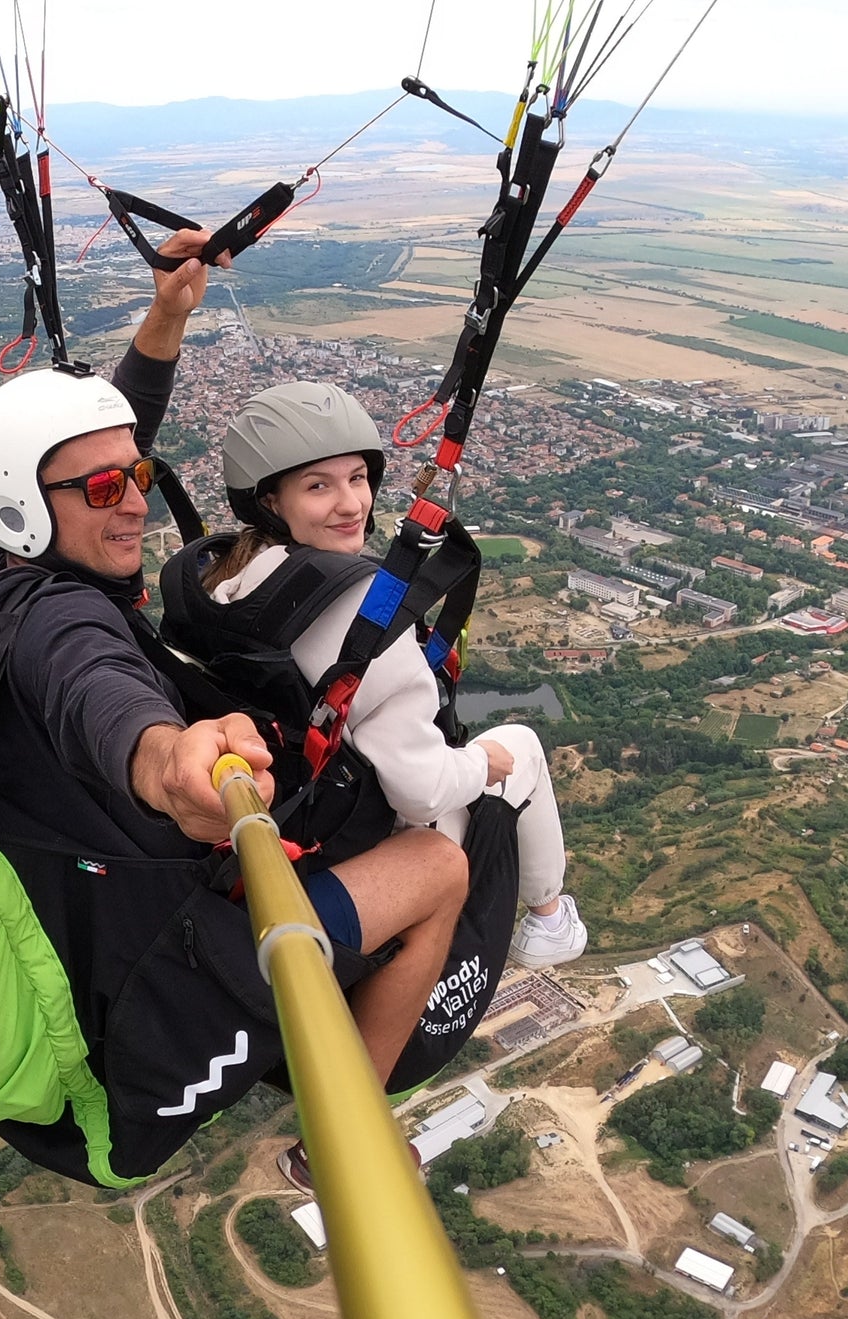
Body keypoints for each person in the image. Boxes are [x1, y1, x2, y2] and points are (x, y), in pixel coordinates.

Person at [0, 229, 472, 1190]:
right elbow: (97, 695)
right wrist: (172, 761)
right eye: (103, 489)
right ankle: (341, 1144)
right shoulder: (58, 621)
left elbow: (104, 454)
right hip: (149, 985)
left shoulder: (3, 574)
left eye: (137, 478)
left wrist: (165, 318)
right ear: (28, 506)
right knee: (439, 866)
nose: (135, 503)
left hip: (79, 903)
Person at [197, 381, 587, 990]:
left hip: (286, 813)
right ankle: (550, 923)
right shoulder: (362, 610)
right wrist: (482, 763)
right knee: (522, 747)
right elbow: (422, 792)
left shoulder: (226, 578)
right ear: (271, 500)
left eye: (357, 478)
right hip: (359, 836)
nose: (351, 503)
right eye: (319, 486)